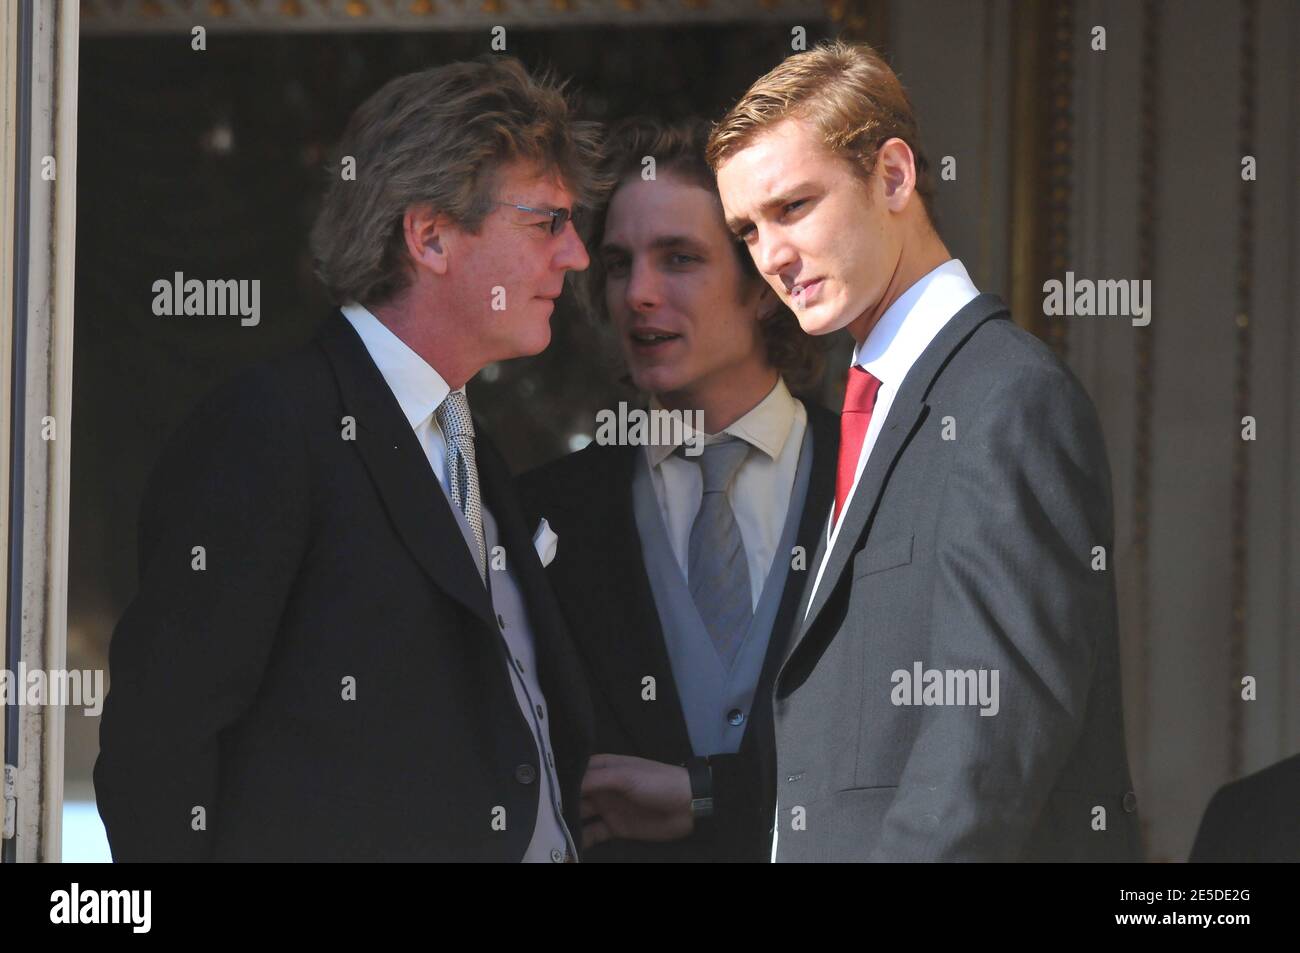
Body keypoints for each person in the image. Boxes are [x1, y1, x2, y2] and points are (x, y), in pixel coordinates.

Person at [94, 57, 604, 861]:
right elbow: (158, 746)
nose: (575, 255)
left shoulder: (469, 441)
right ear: (430, 235)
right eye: (547, 222)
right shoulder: (269, 428)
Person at [709, 40, 1142, 861]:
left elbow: (988, 742)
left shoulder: (1010, 398)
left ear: (895, 176)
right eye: (748, 229)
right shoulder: (873, 405)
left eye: (793, 206)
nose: (769, 255)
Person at [519, 116, 837, 861]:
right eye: (620, 264)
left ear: (762, 286)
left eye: (679, 258)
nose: (638, 294)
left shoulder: (874, 476)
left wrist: (708, 796)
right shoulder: (544, 512)